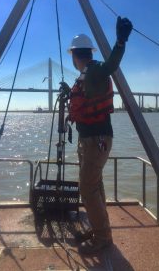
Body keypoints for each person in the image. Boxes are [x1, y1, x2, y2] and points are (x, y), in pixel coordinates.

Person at [61, 17, 132, 254]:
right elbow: (84, 101)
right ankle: (100, 228)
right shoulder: (86, 76)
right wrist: (69, 94)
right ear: (87, 52)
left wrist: (120, 41)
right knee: (95, 185)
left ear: (74, 56)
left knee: (87, 187)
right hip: (90, 139)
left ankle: (102, 237)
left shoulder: (95, 71)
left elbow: (111, 65)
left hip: (96, 139)